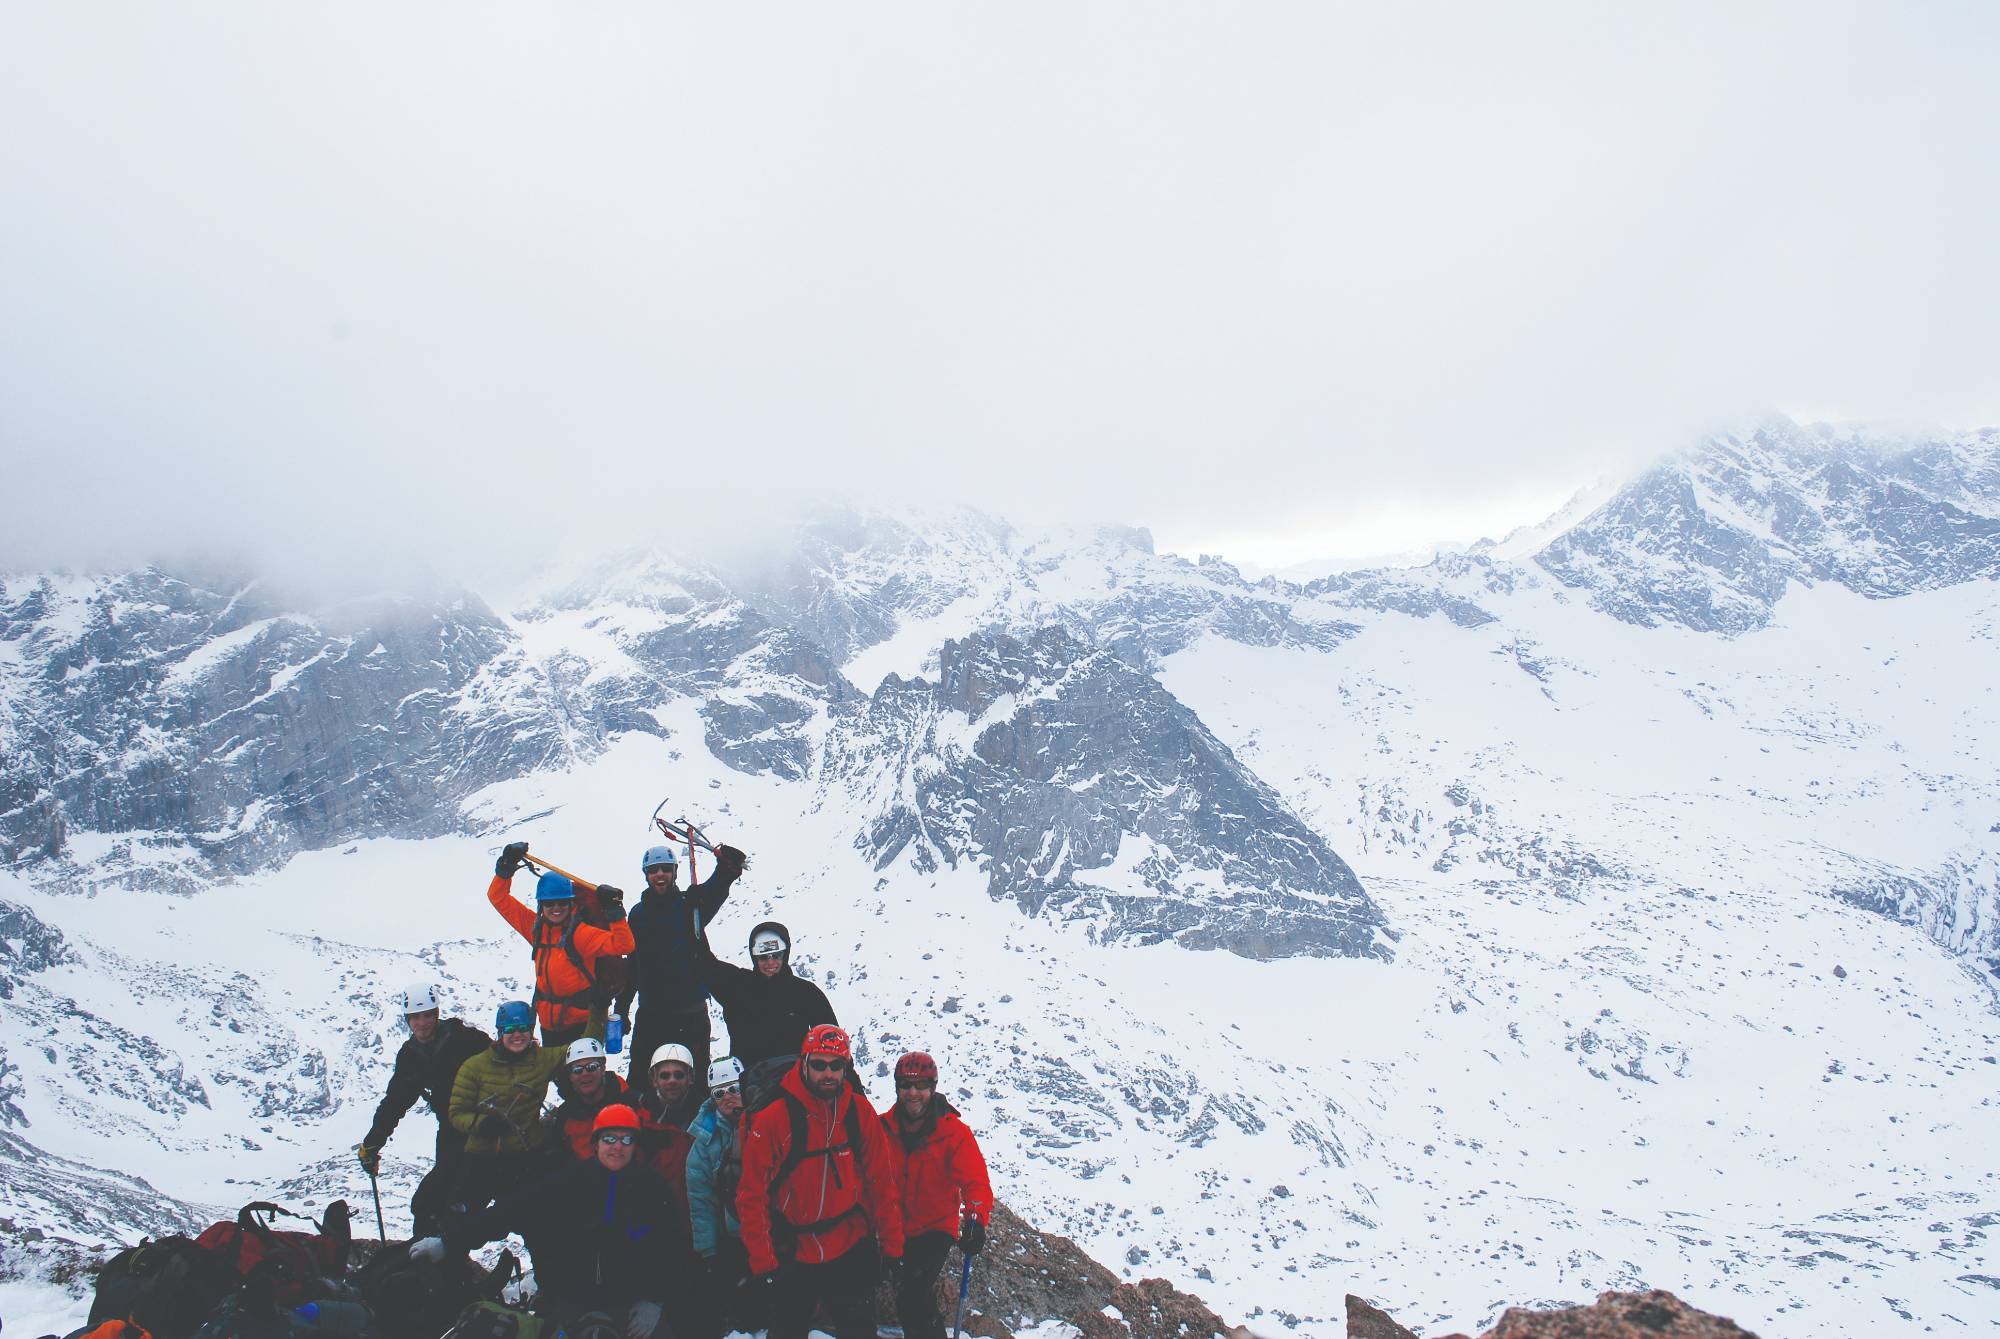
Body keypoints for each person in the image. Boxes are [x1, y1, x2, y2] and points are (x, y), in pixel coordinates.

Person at [410, 1105, 683, 1338]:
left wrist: (653, 1300)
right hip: (571, 1300)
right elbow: (510, 1210)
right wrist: (448, 1242)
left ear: (635, 1146)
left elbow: (672, 1247)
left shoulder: (652, 1189)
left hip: (631, 1303)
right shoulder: (570, 1181)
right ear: (596, 1142)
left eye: (626, 1140)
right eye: (610, 1139)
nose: (617, 1147)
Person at [736, 1025, 903, 1339]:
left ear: (846, 1068)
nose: (828, 1073)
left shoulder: (859, 1112)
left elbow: (882, 1182)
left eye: (836, 1065)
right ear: (804, 1062)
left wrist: (892, 1246)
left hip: (848, 1243)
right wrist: (763, 1261)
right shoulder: (775, 1117)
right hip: (793, 1249)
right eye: (819, 1064)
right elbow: (751, 1195)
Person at [353, 982, 491, 1235]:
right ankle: (436, 1262)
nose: (423, 1023)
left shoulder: (466, 1039)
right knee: (433, 1204)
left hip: (484, 1127)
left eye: (428, 1015)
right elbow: (395, 1102)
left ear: (437, 1015)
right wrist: (373, 1143)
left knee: (448, 1201)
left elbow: (499, 1064)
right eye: (416, 1017)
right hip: (451, 1131)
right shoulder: (411, 1056)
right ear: (408, 1020)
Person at [880, 1052, 993, 1339]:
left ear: (933, 1087)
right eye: (906, 1085)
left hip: (933, 1228)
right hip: (890, 1227)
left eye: (920, 1086)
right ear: (897, 1088)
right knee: (908, 1292)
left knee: (912, 1292)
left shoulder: (953, 1133)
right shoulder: (881, 1128)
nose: (913, 1093)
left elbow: (975, 1182)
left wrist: (975, 1219)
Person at [489, 841, 635, 1048]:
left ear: (571, 903)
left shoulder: (581, 934)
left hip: (582, 1026)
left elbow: (624, 945)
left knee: (581, 1079)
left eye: (562, 902)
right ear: (541, 905)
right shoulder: (536, 929)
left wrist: (615, 913)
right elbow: (498, 898)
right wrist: (506, 868)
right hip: (549, 1027)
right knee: (559, 1078)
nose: (556, 908)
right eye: (549, 903)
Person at [625, 841, 747, 1086]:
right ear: (646, 875)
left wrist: (727, 867)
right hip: (652, 1014)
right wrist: (621, 1008)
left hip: (690, 1013)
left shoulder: (691, 905)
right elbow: (633, 965)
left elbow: (718, 887)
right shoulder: (637, 915)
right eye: (653, 870)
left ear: (674, 872)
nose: (660, 874)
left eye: (665, 868)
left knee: (697, 1078)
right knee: (641, 1077)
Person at [447, 1000, 568, 1213]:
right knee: (463, 1215)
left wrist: (598, 1007)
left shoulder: (543, 1059)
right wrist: (481, 1124)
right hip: (481, 1156)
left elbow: (585, 1048)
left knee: (531, 1217)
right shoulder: (475, 1066)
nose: (517, 1035)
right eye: (510, 1030)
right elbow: (457, 1112)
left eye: (523, 1029)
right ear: (500, 1032)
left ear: (531, 1030)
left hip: (524, 1155)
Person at [695, 920, 837, 1067]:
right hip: (748, 1082)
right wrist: (691, 914)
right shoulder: (736, 986)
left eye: (776, 955)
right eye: (763, 957)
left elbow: (833, 1042)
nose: (770, 962)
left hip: (793, 1081)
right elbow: (703, 960)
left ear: (785, 954)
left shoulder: (806, 993)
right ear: (754, 956)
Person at [685, 1057, 755, 1339]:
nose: (728, 1097)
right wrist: (709, 1253)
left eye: (733, 1088)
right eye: (719, 1093)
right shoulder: (704, 1144)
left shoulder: (768, 1120)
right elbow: (700, 1203)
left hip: (775, 1232)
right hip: (734, 1238)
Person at [551, 1037, 634, 1162]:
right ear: (570, 1077)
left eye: (591, 1067)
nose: (585, 1074)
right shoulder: (566, 1115)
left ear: (603, 1069)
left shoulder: (629, 1102)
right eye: (577, 1070)